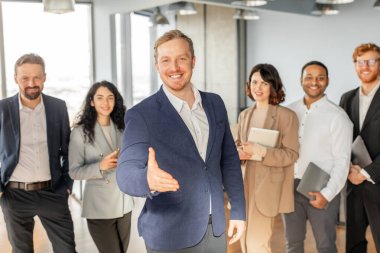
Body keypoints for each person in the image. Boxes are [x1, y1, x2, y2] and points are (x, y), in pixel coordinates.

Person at [116, 29, 246, 253]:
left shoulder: (215, 104)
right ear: (157, 65)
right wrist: (147, 179)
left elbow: (229, 160)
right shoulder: (142, 115)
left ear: (193, 61)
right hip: (170, 233)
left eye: (181, 59)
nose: (174, 67)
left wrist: (238, 210)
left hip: (215, 228)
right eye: (165, 60)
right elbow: (125, 172)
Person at [0, 53, 76, 253]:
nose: (31, 83)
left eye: (36, 77)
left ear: (44, 77)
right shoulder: (2, 109)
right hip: (14, 196)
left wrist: (67, 185)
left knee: (67, 249)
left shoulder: (58, 107)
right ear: (16, 78)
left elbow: (68, 151)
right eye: (25, 78)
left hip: (53, 192)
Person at [283, 61, 353, 253]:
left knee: (326, 246)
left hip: (321, 189)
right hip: (289, 189)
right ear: (301, 80)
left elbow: (342, 161)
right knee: (292, 245)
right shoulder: (289, 112)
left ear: (327, 81)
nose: (314, 82)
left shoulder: (338, 117)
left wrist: (327, 194)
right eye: (309, 77)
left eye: (320, 78)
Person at [235, 63, 299, 253]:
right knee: (244, 242)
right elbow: (238, 144)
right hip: (243, 186)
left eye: (264, 83)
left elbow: (291, 154)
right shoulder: (244, 115)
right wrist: (238, 152)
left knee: (258, 245)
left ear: (273, 85)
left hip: (267, 189)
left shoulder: (286, 116)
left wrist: (261, 151)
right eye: (254, 82)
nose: (258, 88)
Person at [69, 81, 134, 253]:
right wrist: (100, 166)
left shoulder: (123, 128)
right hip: (99, 207)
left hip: (123, 203)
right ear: (92, 101)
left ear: (116, 101)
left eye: (110, 98)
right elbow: (74, 172)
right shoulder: (79, 133)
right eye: (100, 98)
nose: (105, 103)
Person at [340, 43, 380, 253]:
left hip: (377, 181)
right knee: (354, 243)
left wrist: (365, 173)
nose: (365, 66)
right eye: (360, 62)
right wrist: (348, 169)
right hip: (352, 184)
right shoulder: (347, 98)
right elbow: (340, 140)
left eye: (371, 61)